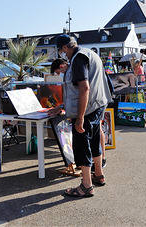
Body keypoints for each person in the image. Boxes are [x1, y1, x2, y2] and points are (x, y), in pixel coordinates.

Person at [48, 34, 112, 197]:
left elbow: (84, 88)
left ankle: (86, 186)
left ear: (64, 48)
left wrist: (80, 118)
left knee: (82, 145)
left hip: (86, 110)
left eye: (61, 51)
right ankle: (98, 175)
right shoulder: (91, 54)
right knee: (94, 139)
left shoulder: (77, 59)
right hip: (98, 105)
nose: (62, 55)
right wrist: (62, 107)